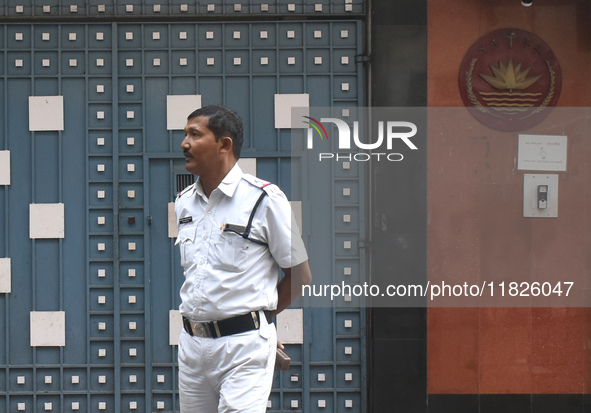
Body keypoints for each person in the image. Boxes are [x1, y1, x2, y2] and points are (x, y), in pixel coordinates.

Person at [174, 105, 312, 412]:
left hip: (244, 349)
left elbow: (300, 276)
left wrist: (259, 321)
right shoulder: (184, 203)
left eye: (195, 134)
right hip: (193, 346)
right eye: (185, 135)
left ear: (224, 144)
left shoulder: (265, 200)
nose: (184, 143)